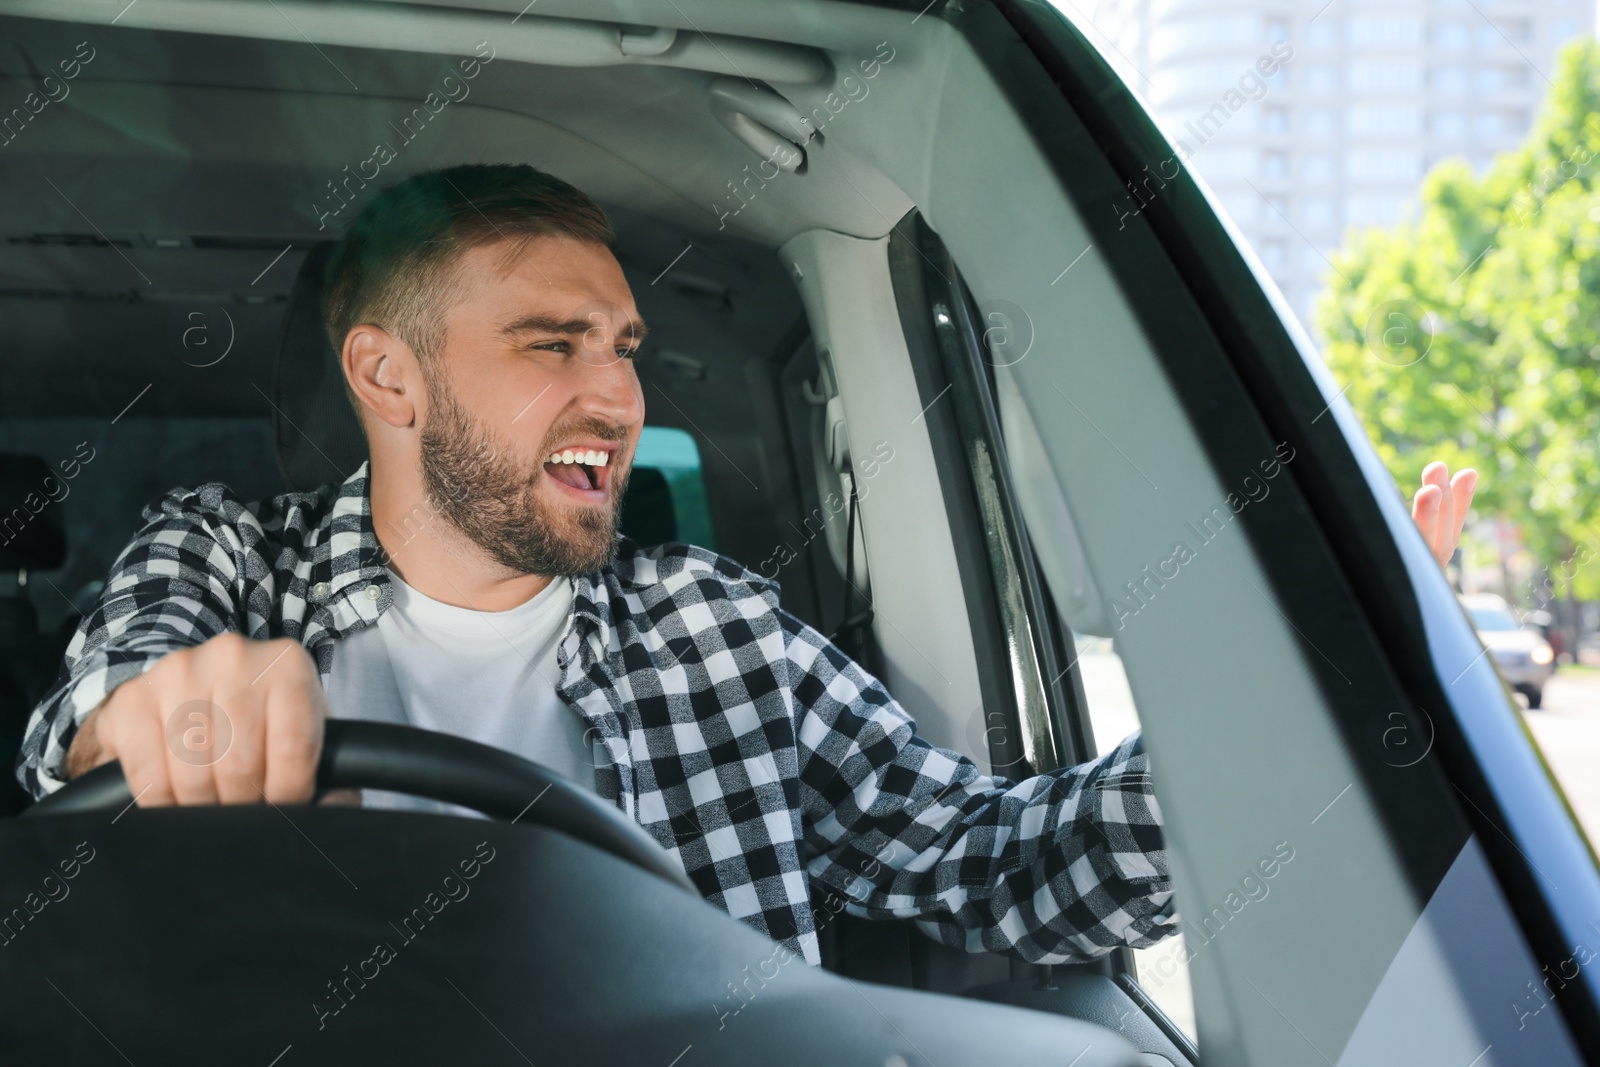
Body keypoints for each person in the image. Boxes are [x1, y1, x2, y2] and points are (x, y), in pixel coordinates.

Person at [13, 164, 1475, 969]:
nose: (619, 396)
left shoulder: (717, 631)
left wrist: (1294, 707)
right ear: (387, 378)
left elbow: (997, 868)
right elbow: (114, 693)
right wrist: (158, 715)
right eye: (550, 344)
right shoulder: (222, 557)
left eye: (626, 349)